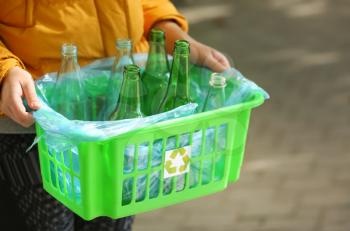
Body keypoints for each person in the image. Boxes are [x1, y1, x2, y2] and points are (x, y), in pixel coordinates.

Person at [0, 0, 230, 230]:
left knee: (114, 221)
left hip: (118, 126)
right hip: (34, 126)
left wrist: (179, 38)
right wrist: (5, 69)